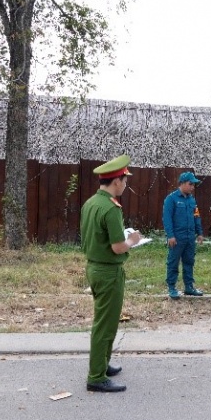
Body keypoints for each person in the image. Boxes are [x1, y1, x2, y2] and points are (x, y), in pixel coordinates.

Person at [80, 154, 142, 393]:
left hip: (94, 267)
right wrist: (133, 240)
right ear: (116, 181)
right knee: (105, 325)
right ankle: (96, 376)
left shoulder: (91, 203)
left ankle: (102, 365)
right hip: (108, 271)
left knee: (104, 321)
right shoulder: (111, 208)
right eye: (125, 180)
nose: (126, 185)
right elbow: (117, 247)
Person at [163, 172, 205, 299]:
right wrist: (170, 235)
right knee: (173, 262)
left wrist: (199, 232)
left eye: (193, 185)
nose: (192, 187)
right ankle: (172, 287)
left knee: (189, 261)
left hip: (190, 237)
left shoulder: (192, 200)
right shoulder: (171, 199)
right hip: (177, 237)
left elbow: (196, 216)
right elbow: (167, 219)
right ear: (182, 183)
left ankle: (189, 287)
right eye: (190, 184)